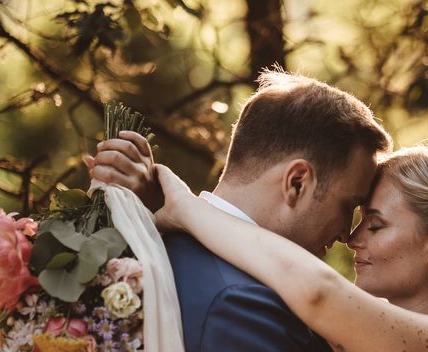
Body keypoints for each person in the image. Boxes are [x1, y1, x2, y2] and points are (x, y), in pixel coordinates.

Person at [85, 70, 392, 351]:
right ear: (297, 183)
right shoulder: (242, 305)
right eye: (348, 206)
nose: (345, 234)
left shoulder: (151, 249)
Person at [149, 142, 428, 352]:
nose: (352, 240)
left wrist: (186, 209)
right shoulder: (369, 326)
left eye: (376, 224)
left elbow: (317, 291)